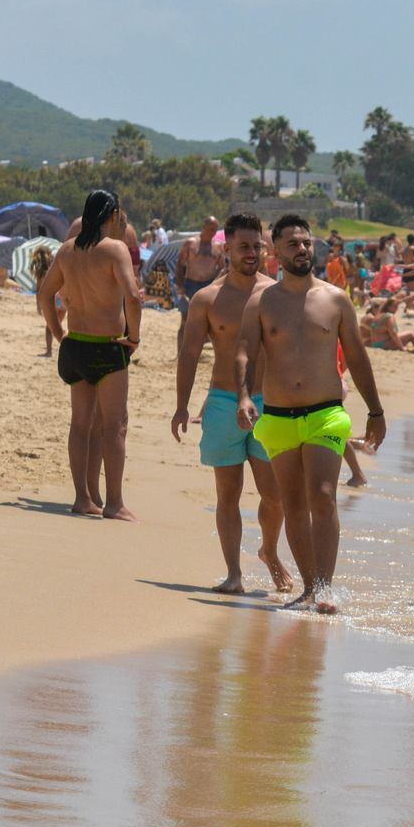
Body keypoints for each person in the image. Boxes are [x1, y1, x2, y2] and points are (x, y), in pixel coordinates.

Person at [236, 214, 387, 612]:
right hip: (280, 416)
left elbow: (356, 354)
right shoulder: (263, 301)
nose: (302, 250)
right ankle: (308, 587)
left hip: (325, 412)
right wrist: (243, 396)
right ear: (276, 252)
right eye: (293, 244)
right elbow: (245, 352)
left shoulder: (335, 299)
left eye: (306, 243)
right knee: (293, 503)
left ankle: (324, 588)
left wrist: (375, 409)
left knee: (322, 496)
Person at [173, 213, 291, 594]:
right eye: (244, 246)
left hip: (268, 403)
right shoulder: (206, 299)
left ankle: (270, 552)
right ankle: (234, 574)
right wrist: (181, 405)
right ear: (227, 248)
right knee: (229, 493)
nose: (252, 253)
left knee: (275, 495)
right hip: (223, 402)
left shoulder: (275, 294)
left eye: (257, 246)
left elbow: (289, 353)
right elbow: (189, 354)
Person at [36, 189, 142, 521]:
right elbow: (133, 297)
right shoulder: (115, 249)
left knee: (80, 423)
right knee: (115, 426)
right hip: (107, 347)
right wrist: (134, 337)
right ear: (113, 215)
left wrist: (58, 332)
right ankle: (113, 503)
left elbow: (45, 293)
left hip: (76, 345)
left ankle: (82, 498)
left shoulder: (67, 250)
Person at [174, 216, 225, 353]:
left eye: (215, 229)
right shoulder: (191, 243)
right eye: (211, 228)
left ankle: (200, 350)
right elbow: (180, 265)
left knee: (209, 321)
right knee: (185, 320)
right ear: (204, 227)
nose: (213, 232)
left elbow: (223, 267)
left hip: (208, 286)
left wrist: (216, 282)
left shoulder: (218, 246)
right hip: (190, 284)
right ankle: (180, 353)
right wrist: (180, 285)